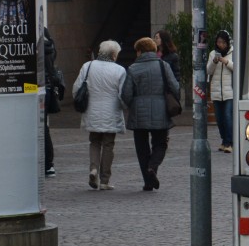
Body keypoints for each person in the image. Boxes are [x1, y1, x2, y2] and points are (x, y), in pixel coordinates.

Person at [122, 37, 180, 191]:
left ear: (139, 51)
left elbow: (126, 94)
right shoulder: (163, 65)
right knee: (160, 143)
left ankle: (148, 182)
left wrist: (132, 105)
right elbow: (175, 87)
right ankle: (153, 167)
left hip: (138, 113)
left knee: (141, 147)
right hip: (161, 110)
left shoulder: (133, 68)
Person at [71, 40, 127, 190]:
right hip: (111, 112)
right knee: (108, 144)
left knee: (94, 142)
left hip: (92, 110)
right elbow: (123, 95)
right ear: (114, 54)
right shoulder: (120, 70)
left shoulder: (87, 66)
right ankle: (104, 180)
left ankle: (93, 168)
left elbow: (76, 88)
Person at [206, 29, 235, 152]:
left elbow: (237, 68)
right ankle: (224, 141)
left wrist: (226, 61)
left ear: (227, 43)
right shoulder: (213, 53)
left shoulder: (233, 52)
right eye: (218, 42)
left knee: (228, 116)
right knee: (219, 118)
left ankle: (230, 143)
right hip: (216, 91)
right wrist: (214, 62)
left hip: (230, 91)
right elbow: (208, 71)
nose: (221, 45)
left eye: (223, 42)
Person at [42, 28, 65, 177]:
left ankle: (46, 164)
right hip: (48, 89)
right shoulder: (50, 46)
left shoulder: (34, 47)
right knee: (44, 128)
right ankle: (49, 165)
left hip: (34, 89)